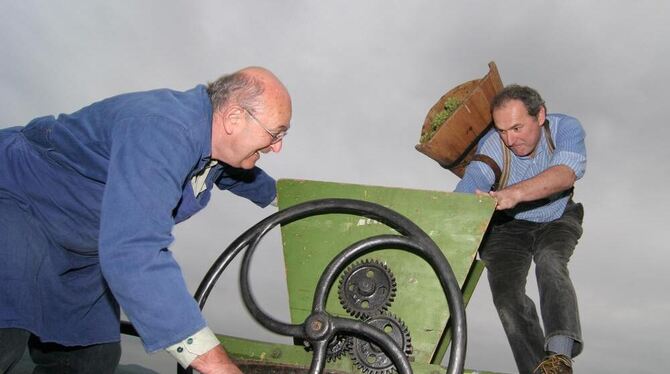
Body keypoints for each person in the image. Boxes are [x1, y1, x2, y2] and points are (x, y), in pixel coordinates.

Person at [0, 66, 292, 374]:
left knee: (91, 357)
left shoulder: (216, 150)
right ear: (234, 119)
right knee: (6, 332)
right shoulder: (164, 131)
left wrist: (298, 201)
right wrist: (218, 366)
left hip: (82, 248)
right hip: (20, 205)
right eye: (275, 133)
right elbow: (134, 250)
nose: (277, 146)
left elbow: (241, 179)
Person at [454, 85, 586, 374]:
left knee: (551, 262)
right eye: (502, 130)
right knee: (506, 296)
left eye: (517, 128)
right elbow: (472, 182)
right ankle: (538, 369)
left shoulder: (566, 128)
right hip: (507, 229)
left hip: (556, 217)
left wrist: (514, 193)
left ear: (540, 115)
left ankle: (559, 356)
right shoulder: (493, 144)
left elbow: (565, 174)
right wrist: (457, 209)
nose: (510, 140)